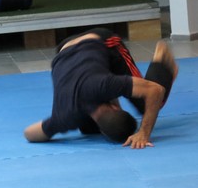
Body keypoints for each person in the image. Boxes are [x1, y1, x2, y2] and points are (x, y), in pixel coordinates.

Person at [24, 28, 178, 149]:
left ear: (115, 108)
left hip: (85, 45)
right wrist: (144, 133)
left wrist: (144, 132)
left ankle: (161, 61)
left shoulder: (104, 86)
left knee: (146, 102)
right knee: (148, 103)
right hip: (83, 46)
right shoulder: (65, 116)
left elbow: (155, 90)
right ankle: (162, 58)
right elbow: (30, 133)